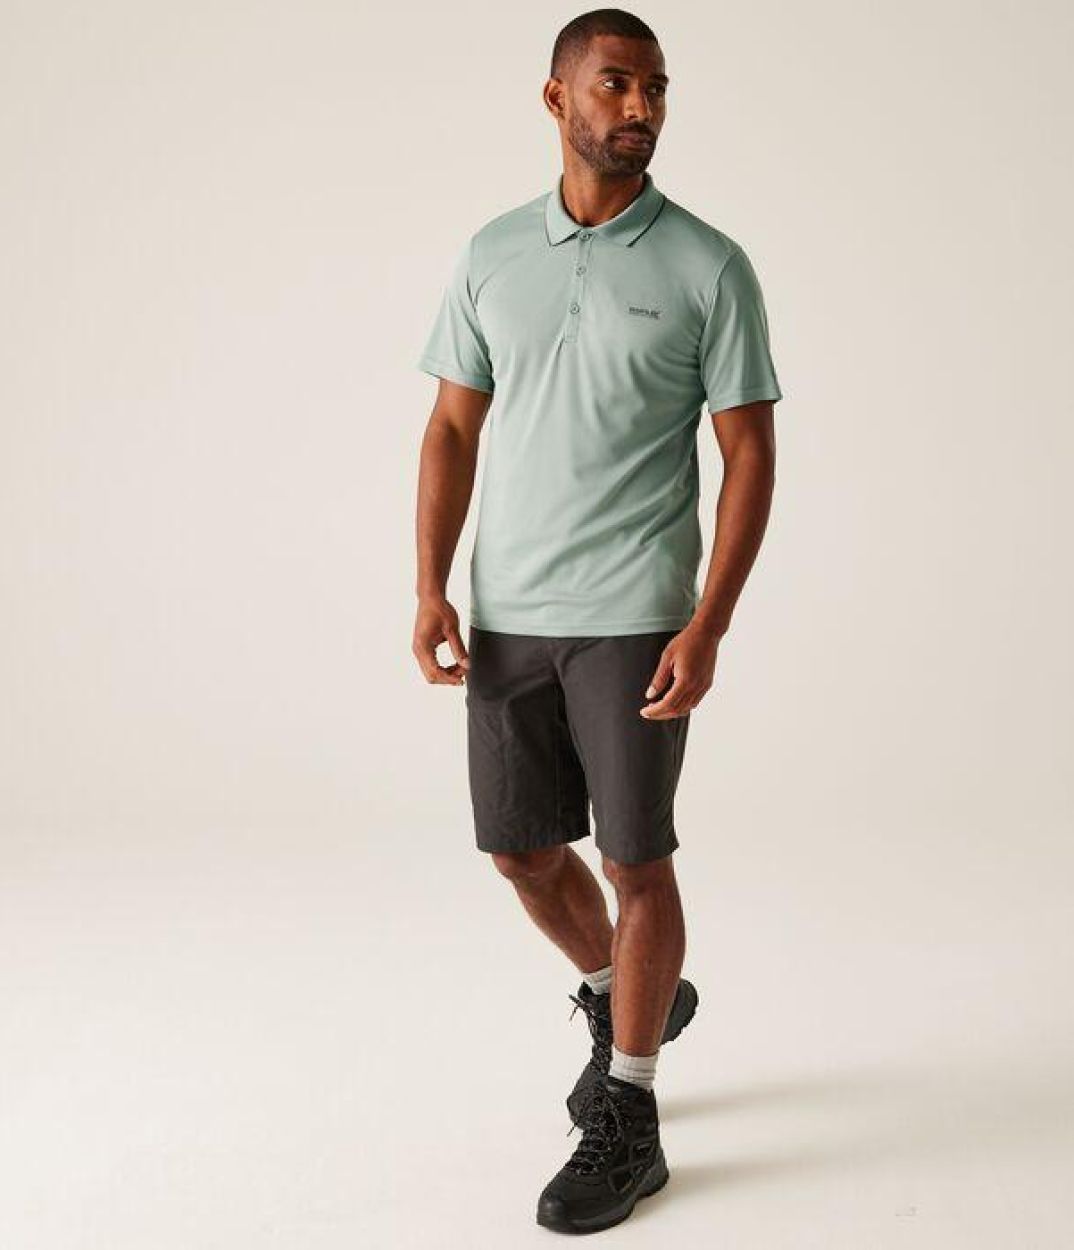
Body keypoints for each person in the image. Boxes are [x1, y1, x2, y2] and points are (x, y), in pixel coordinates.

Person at [411, 7, 782, 1234]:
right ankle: (627, 992)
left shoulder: (707, 266)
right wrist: (429, 583)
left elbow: (746, 453)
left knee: (633, 859)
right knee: (521, 851)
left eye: (655, 89)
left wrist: (707, 621)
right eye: (616, 84)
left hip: (633, 615)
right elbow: (451, 426)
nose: (640, 108)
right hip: (507, 611)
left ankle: (629, 1105)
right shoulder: (490, 254)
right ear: (555, 98)